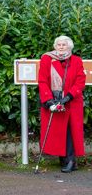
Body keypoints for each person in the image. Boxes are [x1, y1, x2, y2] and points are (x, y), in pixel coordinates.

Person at [38, 35, 86, 173]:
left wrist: (68, 97)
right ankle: (63, 158)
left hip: (72, 102)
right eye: (58, 44)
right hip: (53, 99)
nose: (60, 47)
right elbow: (42, 80)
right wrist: (48, 100)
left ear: (69, 46)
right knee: (58, 130)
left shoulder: (76, 61)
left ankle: (71, 160)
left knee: (70, 131)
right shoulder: (47, 59)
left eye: (63, 45)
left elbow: (80, 81)